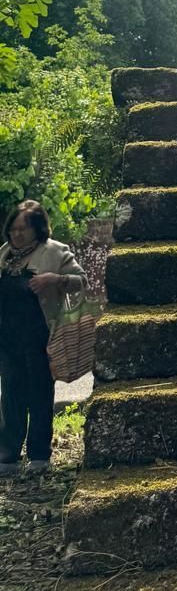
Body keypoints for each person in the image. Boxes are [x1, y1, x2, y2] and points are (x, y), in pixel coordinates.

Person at [0, 200, 85, 474]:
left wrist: (54, 279)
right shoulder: (4, 254)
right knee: (10, 395)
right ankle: (8, 455)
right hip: (8, 337)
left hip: (41, 336)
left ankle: (39, 455)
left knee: (39, 394)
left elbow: (81, 281)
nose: (16, 234)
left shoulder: (55, 252)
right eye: (12, 229)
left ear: (37, 228)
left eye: (22, 229)